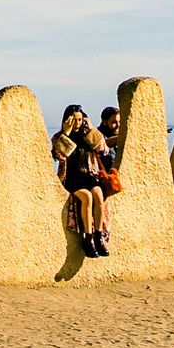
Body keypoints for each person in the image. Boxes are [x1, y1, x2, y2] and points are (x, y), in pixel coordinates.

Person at [51, 104, 109, 257]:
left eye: (80, 119)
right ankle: (88, 239)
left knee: (98, 195)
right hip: (72, 179)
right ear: (67, 120)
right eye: (74, 120)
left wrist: (91, 130)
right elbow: (60, 155)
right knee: (87, 197)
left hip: (90, 176)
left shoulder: (88, 135)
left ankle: (98, 236)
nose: (77, 123)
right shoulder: (59, 137)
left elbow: (103, 150)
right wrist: (66, 133)